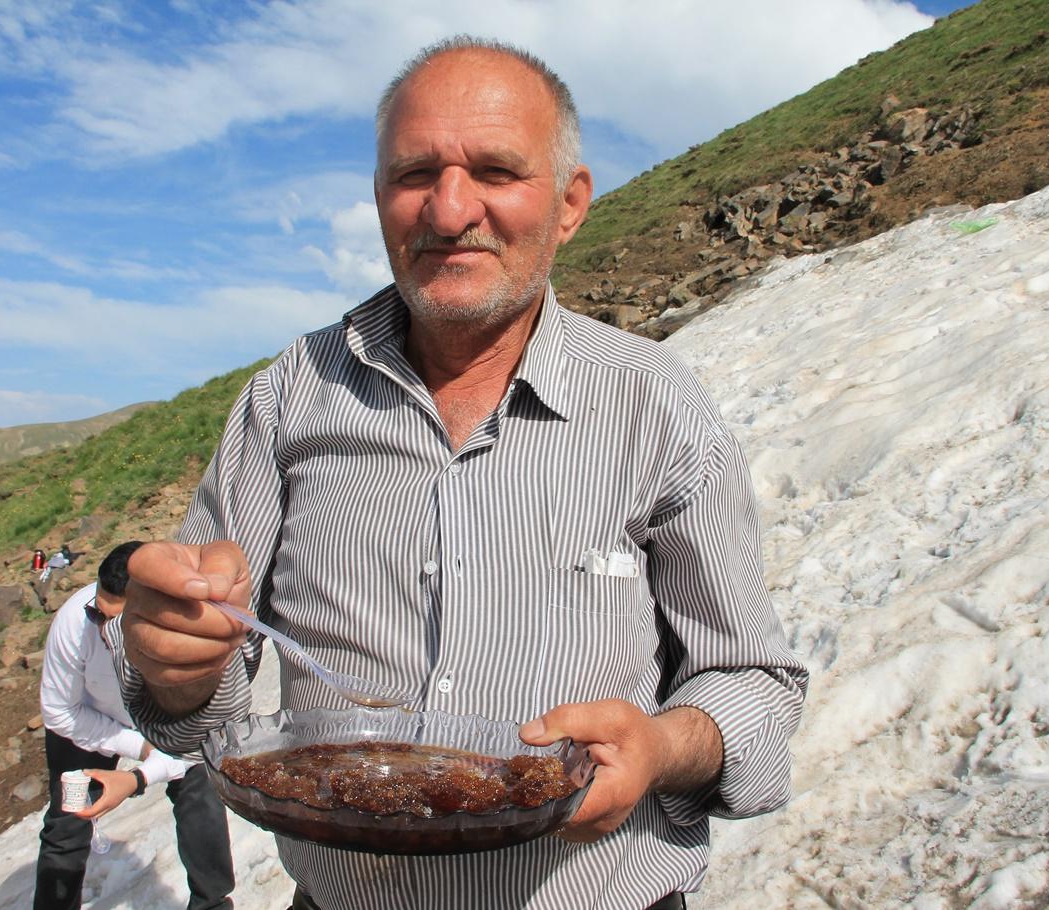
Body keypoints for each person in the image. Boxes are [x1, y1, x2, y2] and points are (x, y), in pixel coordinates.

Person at [108, 36, 808, 910]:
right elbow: (200, 693)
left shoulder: (655, 404)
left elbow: (751, 681)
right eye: (414, 175)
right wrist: (175, 666)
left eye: (496, 171)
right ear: (379, 197)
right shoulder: (288, 399)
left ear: (569, 204)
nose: (448, 210)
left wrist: (662, 748)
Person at [35, 541, 234, 910]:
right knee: (68, 821)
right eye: (98, 614)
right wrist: (139, 747)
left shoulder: (188, 635)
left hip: (165, 725)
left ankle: (212, 904)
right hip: (88, 729)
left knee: (201, 797)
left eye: (116, 623)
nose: (102, 629)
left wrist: (143, 772)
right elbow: (59, 712)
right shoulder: (73, 621)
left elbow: (199, 736)